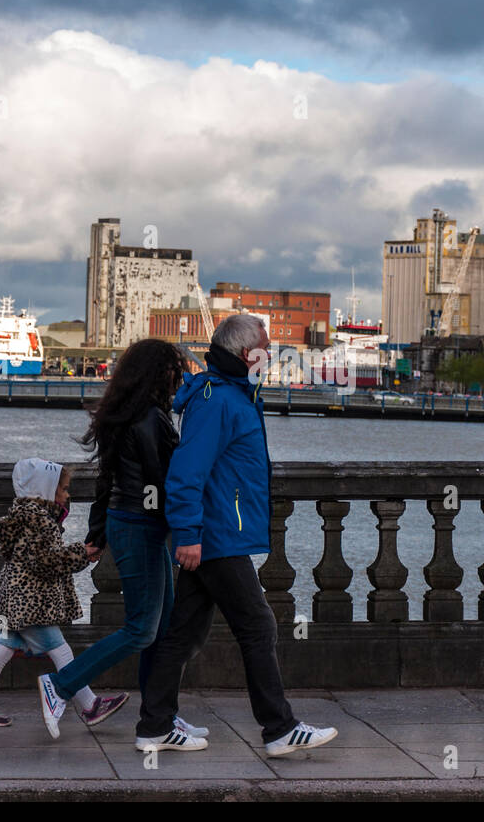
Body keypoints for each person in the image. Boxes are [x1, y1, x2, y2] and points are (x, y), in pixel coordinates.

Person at [134, 315, 337, 756]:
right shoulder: (220, 401)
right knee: (258, 626)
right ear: (247, 354)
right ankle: (279, 728)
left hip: (212, 533)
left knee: (183, 632)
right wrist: (188, 534)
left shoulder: (229, 395)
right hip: (215, 536)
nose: (271, 353)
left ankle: (155, 724)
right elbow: (186, 474)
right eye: (266, 346)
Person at [36, 339, 207, 741]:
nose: (178, 376)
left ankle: (159, 718)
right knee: (143, 630)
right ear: (157, 373)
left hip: (132, 524)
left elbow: (106, 481)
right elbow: (167, 481)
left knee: (159, 631)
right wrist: (189, 529)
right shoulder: (148, 419)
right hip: (140, 528)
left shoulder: (130, 415)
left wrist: (97, 534)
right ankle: (61, 685)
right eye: (173, 369)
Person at [0, 458, 124, 728]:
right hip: (31, 605)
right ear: (46, 492)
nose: (67, 495)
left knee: (1, 650)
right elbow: (47, 561)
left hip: (13, 601)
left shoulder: (25, 516)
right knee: (61, 650)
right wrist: (81, 553)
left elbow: (39, 559)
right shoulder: (41, 522)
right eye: (63, 490)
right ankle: (90, 706)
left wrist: (80, 555)